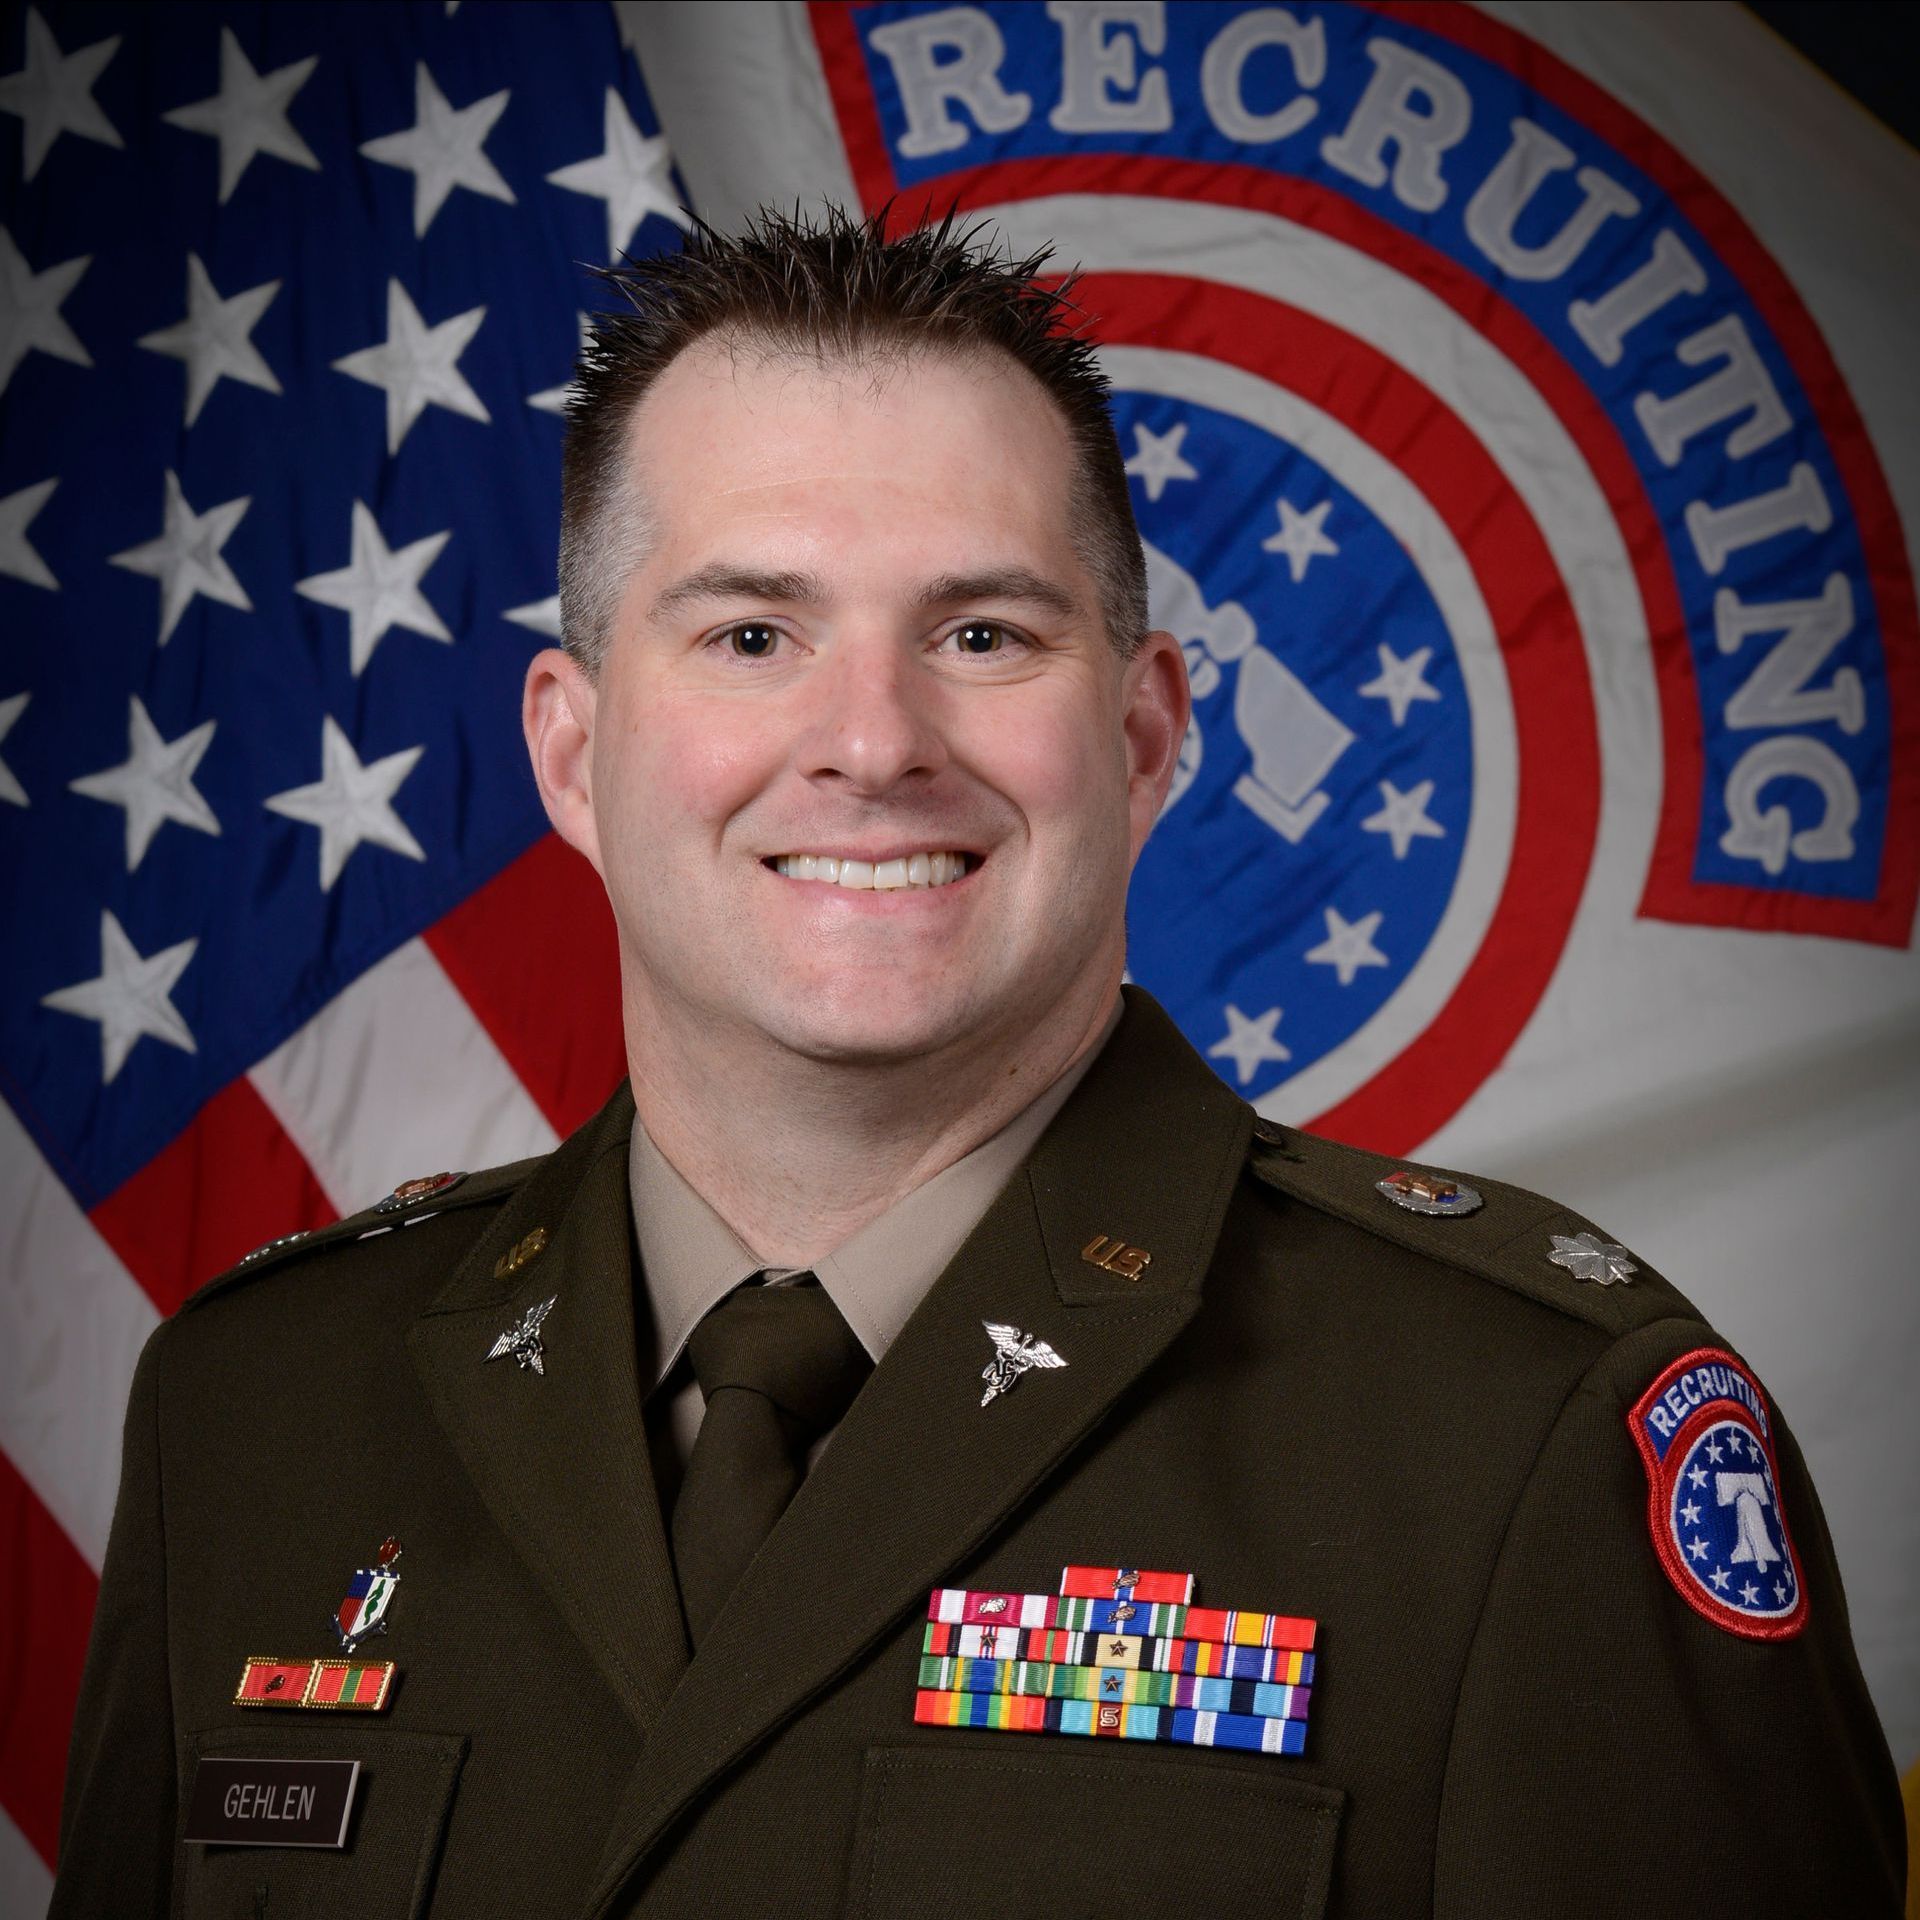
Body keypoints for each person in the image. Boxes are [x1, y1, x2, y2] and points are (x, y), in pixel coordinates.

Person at [54, 207, 1904, 1918]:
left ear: (1147, 734)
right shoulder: (257, 1411)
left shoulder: (1519, 1433)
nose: (873, 742)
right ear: (570, 750)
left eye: (982, 632)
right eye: (755, 632)